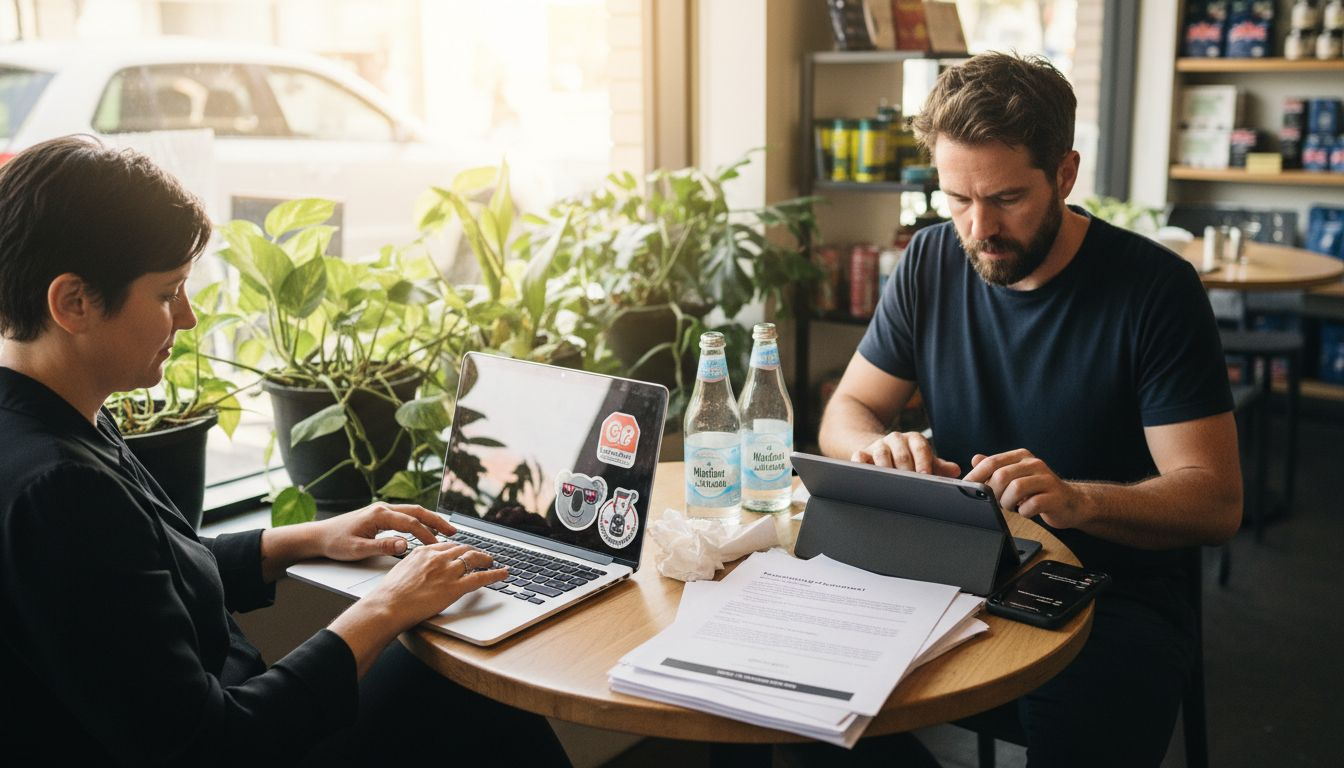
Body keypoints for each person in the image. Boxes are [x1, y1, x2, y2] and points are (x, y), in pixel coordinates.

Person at [0, 136, 570, 766]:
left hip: (240, 715)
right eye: (167, 294)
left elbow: (149, 572)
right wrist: (385, 607)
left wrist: (312, 537)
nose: (187, 318)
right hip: (242, 741)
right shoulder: (58, 491)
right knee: (471, 693)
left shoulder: (49, 421)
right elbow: (212, 745)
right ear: (73, 303)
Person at [818, 53, 1241, 767]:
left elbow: (1216, 501)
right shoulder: (929, 261)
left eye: (1007, 198)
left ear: (1065, 175)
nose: (978, 226)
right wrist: (875, 449)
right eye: (957, 198)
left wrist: (1080, 501)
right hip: (955, 568)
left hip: (1112, 592)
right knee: (797, 704)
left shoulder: (1155, 290)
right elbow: (849, 408)